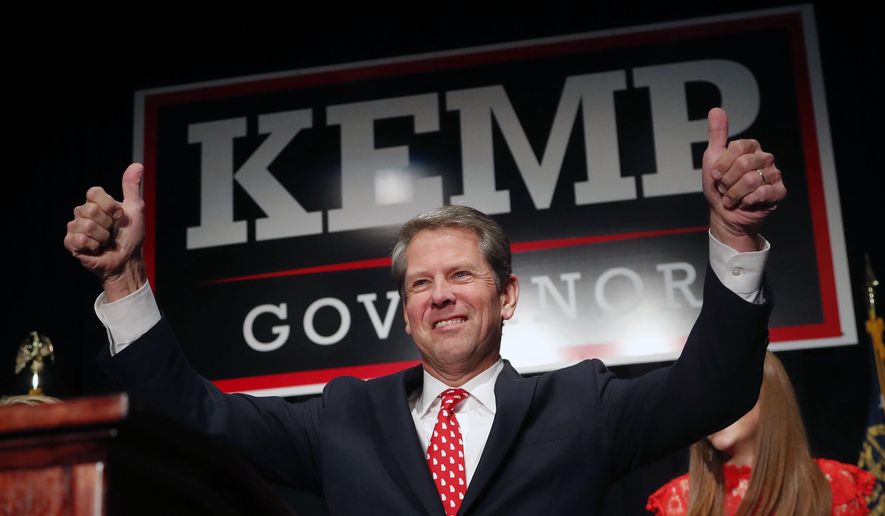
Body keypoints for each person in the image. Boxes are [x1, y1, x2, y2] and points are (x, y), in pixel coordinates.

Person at [64, 108, 785, 514]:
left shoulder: (580, 403)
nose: (438, 294)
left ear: (506, 295)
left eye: (460, 276)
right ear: (405, 312)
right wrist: (125, 279)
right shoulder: (342, 419)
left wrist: (732, 235)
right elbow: (192, 416)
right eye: (419, 284)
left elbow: (713, 386)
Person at [646, 352, 875, 516]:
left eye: (726, 394)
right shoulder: (678, 499)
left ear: (769, 395)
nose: (712, 411)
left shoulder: (833, 484)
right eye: (703, 401)